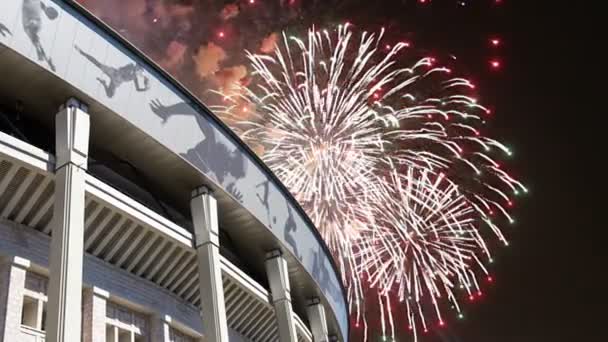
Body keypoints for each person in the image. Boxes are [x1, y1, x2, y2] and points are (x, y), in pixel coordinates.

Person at [74, 45, 150, 98]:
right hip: (114, 73)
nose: (137, 69)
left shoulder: (135, 77)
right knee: (97, 64)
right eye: (137, 67)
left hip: (116, 81)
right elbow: (122, 70)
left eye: (138, 68)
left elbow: (137, 89)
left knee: (110, 95)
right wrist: (132, 73)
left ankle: (104, 83)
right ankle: (82, 52)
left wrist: (145, 88)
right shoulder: (131, 66)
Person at [22, 0, 58, 71]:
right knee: (34, 38)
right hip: (30, 18)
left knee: (33, 36)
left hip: (31, 19)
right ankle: (43, 55)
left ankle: (43, 55)